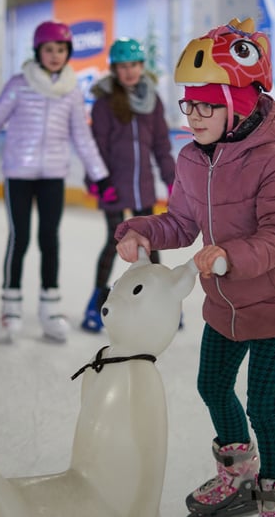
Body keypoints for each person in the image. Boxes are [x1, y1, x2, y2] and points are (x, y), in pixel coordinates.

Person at [115, 18, 275, 517]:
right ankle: (239, 475)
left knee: (264, 405)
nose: (194, 116)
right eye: (190, 104)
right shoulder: (191, 159)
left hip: (274, 301)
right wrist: (140, 231)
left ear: (236, 105)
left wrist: (229, 255)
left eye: (206, 105)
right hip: (224, 301)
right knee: (212, 386)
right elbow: (181, 223)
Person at [0, 20, 114, 343]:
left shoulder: (71, 92)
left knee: (50, 239)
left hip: (53, 174)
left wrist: (101, 174)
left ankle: (50, 310)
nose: (55, 55)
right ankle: (11, 305)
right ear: (38, 52)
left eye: (61, 49)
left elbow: (83, 137)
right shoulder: (19, 84)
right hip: (19, 174)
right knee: (20, 238)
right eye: (49, 49)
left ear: (68, 53)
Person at [80, 37, 175, 332]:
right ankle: (96, 303)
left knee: (151, 243)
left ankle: (161, 301)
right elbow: (97, 146)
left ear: (142, 66)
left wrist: (172, 181)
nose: (129, 71)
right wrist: (98, 180)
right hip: (113, 186)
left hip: (143, 185)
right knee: (113, 240)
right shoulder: (105, 103)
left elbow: (161, 145)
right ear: (114, 70)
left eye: (134, 65)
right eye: (123, 66)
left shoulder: (153, 101)